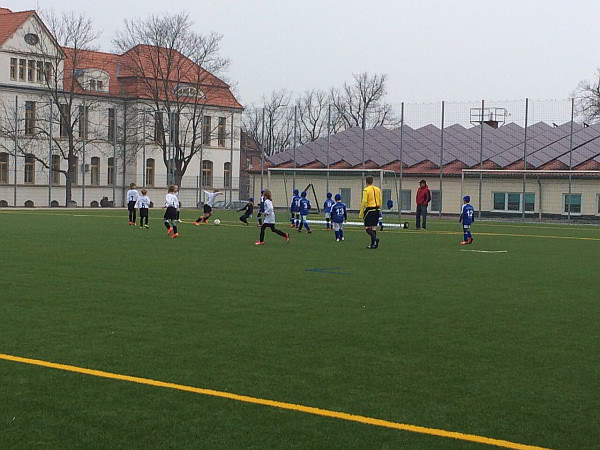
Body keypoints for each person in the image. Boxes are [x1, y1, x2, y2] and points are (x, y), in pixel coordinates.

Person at [359, 176, 382, 249]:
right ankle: (373, 244)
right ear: (372, 181)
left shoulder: (366, 190)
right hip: (377, 209)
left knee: (367, 228)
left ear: (366, 182)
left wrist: (361, 212)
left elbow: (364, 201)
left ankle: (375, 239)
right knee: (373, 227)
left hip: (369, 210)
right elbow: (380, 199)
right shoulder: (378, 189)